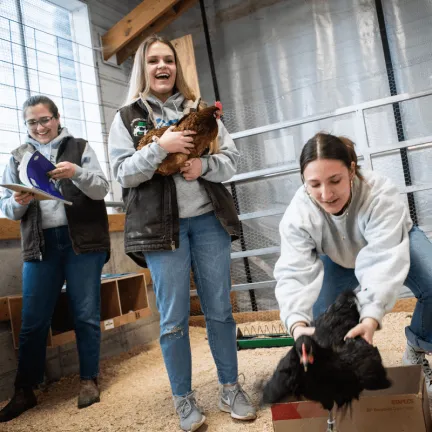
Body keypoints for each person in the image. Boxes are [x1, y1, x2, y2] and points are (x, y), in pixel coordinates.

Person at [108, 35, 256, 431]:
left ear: (177, 67)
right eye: (154, 60)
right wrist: (163, 147)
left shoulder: (199, 109)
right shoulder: (126, 117)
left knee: (220, 310)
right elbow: (122, 174)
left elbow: (232, 160)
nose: (162, 66)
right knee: (173, 318)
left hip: (208, 221)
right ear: (144, 68)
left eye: (169, 60)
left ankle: (230, 387)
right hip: (162, 230)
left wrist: (202, 168)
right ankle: (183, 398)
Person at [274, 132, 432, 398]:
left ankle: (417, 345)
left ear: (351, 170)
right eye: (314, 184)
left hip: (394, 242)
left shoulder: (379, 193)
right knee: (324, 326)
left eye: (335, 180)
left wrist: (370, 318)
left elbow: (383, 260)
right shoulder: (298, 215)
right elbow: (293, 272)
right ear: (304, 182)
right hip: (339, 257)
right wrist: (297, 325)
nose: (325, 194)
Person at [0, 95, 111, 422]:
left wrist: (76, 172)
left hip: (82, 243)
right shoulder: (18, 156)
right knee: (33, 320)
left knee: (85, 315)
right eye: (32, 122)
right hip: (40, 245)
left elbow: (102, 188)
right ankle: (25, 391)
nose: (40, 126)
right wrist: (19, 202)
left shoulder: (79, 147)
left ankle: (89, 379)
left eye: (45, 119)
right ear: (26, 125)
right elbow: (7, 206)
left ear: (57, 117)